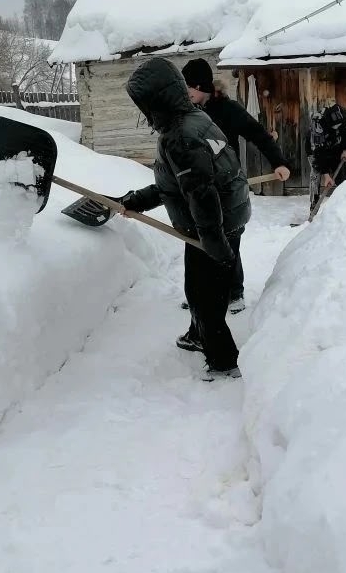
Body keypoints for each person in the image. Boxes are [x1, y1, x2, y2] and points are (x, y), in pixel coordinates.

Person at [119, 56, 249, 382]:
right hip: (222, 217)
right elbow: (178, 183)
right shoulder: (195, 119)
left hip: (211, 224)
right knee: (202, 290)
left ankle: (223, 362)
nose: (143, 113)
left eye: (144, 105)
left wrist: (214, 244)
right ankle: (198, 335)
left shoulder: (179, 136)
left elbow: (201, 194)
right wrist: (139, 200)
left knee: (206, 300)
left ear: (157, 101)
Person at [181, 57, 290, 313]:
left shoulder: (227, 110)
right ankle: (200, 291)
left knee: (229, 240)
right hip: (200, 188)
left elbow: (258, 134)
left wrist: (279, 162)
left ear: (201, 86)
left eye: (189, 89)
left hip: (227, 187)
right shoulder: (189, 112)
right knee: (200, 239)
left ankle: (234, 292)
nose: (186, 94)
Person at [308, 100, 346, 215]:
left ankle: (345, 208)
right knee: (316, 173)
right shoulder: (318, 121)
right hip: (317, 148)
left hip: (337, 145)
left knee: (342, 174)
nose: (338, 127)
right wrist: (325, 174)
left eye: (340, 125)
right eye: (335, 126)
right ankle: (314, 209)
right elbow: (318, 151)